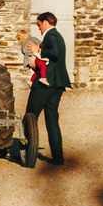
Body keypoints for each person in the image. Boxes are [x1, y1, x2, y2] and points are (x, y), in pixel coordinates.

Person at [22, 12, 71, 166]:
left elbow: (54, 53)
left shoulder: (52, 35)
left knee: (30, 116)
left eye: (39, 25)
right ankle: (58, 158)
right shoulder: (56, 36)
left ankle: (28, 155)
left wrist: (39, 50)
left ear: (45, 22)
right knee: (51, 121)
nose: (39, 29)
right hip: (57, 84)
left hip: (45, 84)